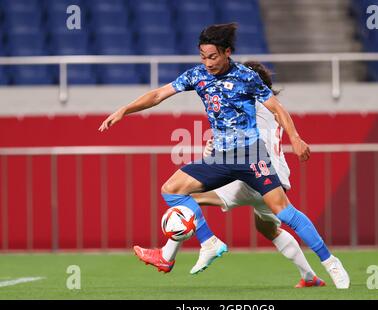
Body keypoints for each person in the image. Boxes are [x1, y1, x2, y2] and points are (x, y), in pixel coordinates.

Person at [99, 23, 350, 289]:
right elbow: (159, 94)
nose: (207, 62)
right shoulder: (197, 75)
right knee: (171, 190)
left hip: (252, 155)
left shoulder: (246, 76)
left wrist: (296, 138)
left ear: (227, 52)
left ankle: (331, 263)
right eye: (202, 56)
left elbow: (277, 107)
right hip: (221, 157)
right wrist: (124, 110)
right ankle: (209, 241)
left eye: (213, 56)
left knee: (285, 213)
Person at [138, 61, 326, 288]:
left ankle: (169, 256)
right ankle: (309, 277)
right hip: (276, 179)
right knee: (267, 227)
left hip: (252, 176)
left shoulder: (248, 104)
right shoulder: (270, 108)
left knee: (186, 199)